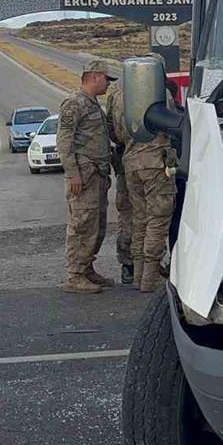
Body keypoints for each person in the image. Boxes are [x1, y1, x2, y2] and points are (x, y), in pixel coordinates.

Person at [108, 54, 178, 292]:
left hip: (131, 162)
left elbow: (114, 132)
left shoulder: (118, 96)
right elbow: (171, 124)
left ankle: (138, 273)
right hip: (155, 161)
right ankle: (150, 277)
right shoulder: (160, 94)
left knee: (139, 219)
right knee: (158, 218)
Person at [56, 59, 116, 294]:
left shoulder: (93, 104)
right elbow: (64, 141)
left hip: (97, 176)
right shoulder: (75, 103)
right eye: (106, 79)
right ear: (94, 77)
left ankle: (87, 268)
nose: (108, 84)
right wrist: (73, 174)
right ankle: (75, 275)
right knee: (82, 225)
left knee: (96, 226)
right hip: (83, 176)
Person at [103, 71, 134, 286]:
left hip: (125, 159)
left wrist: (124, 141)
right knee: (150, 215)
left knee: (127, 215)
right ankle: (142, 265)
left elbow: (110, 129)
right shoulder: (157, 91)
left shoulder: (115, 95)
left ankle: (129, 266)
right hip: (147, 160)